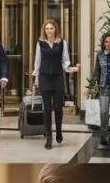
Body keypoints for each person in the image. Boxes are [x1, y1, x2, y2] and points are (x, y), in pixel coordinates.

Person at [33, 19, 80, 150]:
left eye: (51, 28)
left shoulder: (62, 43)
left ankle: (59, 131)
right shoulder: (40, 43)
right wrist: (36, 78)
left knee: (58, 108)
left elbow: (65, 60)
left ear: (55, 29)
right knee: (47, 109)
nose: (49, 31)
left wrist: (70, 69)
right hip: (44, 78)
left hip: (58, 78)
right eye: (47, 29)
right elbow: (37, 61)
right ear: (44, 30)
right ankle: (49, 137)